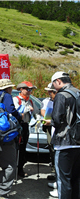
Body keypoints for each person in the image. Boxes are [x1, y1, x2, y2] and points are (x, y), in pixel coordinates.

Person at [0, 79, 22, 199]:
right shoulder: (6, 96)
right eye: (11, 88)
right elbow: (11, 111)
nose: (12, 90)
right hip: (6, 135)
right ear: (7, 88)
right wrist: (19, 116)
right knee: (10, 165)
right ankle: (0, 191)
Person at [50, 71, 80, 199]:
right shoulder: (78, 92)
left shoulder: (61, 95)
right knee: (76, 179)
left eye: (53, 84)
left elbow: (57, 118)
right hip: (78, 143)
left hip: (65, 143)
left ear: (58, 81)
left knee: (63, 179)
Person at [13, 81, 39, 177]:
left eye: (30, 90)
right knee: (16, 147)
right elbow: (16, 111)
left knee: (23, 148)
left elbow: (37, 110)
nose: (29, 91)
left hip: (26, 126)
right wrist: (28, 109)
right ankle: (13, 168)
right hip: (17, 126)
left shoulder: (30, 100)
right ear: (21, 89)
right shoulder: (16, 99)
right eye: (27, 89)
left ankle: (20, 168)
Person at [41, 83, 57, 181]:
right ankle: (54, 168)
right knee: (51, 147)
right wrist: (46, 117)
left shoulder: (61, 100)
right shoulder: (47, 101)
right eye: (49, 91)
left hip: (58, 127)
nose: (49, 93)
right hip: (49, 126)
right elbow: (42, 110)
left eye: (51, 91)